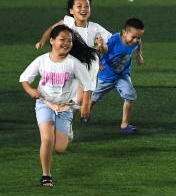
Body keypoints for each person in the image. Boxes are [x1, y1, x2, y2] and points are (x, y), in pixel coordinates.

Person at [19, 25, 97, 187]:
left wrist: (85, 106)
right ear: (52, 41)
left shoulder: (74, 63)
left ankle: (67, 130)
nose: (66, 43)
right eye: (62, 40)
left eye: (70, 41)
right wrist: (30, 90)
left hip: (65, 108)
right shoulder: (41, 60)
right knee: (47, 139)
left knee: (60, 148)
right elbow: (24, 79)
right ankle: (46, 175)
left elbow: (88, 85)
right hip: (45, 104)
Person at [92, 18, 146, 134]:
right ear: (124, 32)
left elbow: (139, 44)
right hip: (106, 75)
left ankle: (124, 124)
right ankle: (85, 113)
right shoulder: (115, 39)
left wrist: (139, 55)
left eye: (139, 37)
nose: (136, 40)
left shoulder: (136, 41)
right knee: (94, 98)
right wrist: (101, 51)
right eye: (134, 37)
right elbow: (103, 50)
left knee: (130, 95)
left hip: (122, 75)